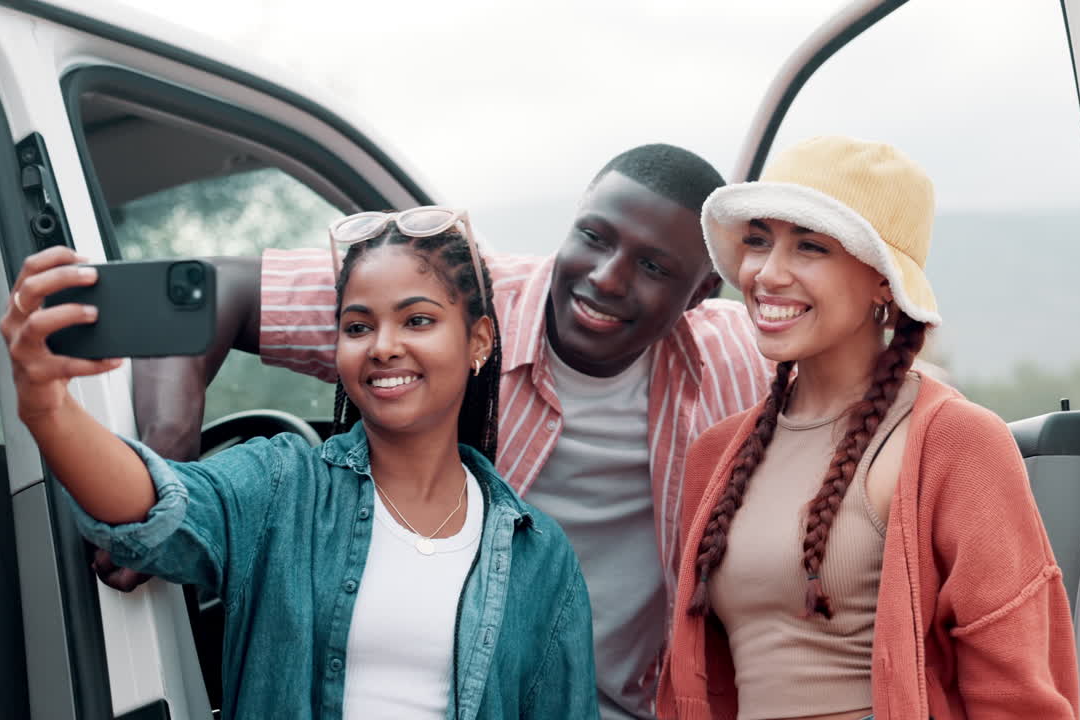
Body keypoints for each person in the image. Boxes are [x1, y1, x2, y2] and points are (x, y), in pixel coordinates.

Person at [108, 143, 772, 720]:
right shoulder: (449, 303)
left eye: (655, 267)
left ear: (700, 292)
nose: (607, 278)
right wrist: (167, 463)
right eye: (594, 237)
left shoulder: (740, 359)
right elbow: (195, 290)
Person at [0, 207, 598, 719]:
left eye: (417, 320)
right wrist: (47, 407)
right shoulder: (284, 484)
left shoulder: (541, 558)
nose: (384, 345)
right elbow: (151, 505)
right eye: (358, 326)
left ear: (479, 341)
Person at [658, 136, 1080, 720]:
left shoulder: (954, 443)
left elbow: (1015, 698)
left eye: (810, 247)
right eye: (759, 241)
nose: (767, 273)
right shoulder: (717, 456)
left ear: (884, 282)